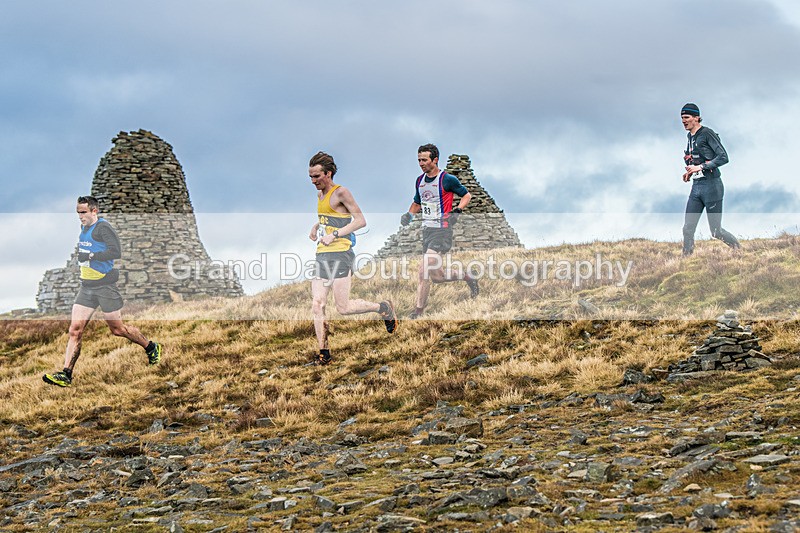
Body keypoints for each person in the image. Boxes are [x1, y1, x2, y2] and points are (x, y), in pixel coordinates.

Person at [43, 196, 162, 387]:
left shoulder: (103, 228)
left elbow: (116, 252)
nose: (80, 216)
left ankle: (151, 347)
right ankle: (66, 374)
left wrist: (90, 255)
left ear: (94, 211)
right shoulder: (85, 228)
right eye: (78, 213)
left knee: (118, 329)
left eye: (83, 212)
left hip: (105, 286)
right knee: (75, 331)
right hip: (87, 287)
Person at [308, 151, 397, 366]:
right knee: (317, 304)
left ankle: (382, 308)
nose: (313, 181)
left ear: (328, 174)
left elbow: (360, 220)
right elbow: (330, 217)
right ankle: (324, 353)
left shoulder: (342, 193)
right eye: (310, 177)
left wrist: (335, 235)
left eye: (317, 176)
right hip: (322, 255)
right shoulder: (320, 195)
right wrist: (317, 226)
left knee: (343, 308)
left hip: (341, 254)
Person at [400, 144, 479, 319]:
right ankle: (468, 277)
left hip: (442, 231)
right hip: (427, 231)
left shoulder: (447, 179)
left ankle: (418, 311)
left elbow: (466, 195)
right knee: (438, 276)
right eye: (419, 160)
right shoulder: (419, 181)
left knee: (423, 270)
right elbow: (417, 203)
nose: (421, 163)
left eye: (424, 160)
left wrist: (457, 211)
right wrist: (409, 216)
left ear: (435, 160)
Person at [680, 103, 741, 256]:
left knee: (715, 231)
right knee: (688, 228)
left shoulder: (707, 133)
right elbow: (695, 159)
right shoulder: (690, 137)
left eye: (686, 117)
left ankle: (738, 251)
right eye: (682, 118)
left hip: (712, 186)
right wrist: (690, 170)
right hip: (697, 186)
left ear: (696, 118)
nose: (683, 121)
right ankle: (685, 260)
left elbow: (723, 157)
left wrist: (700, 167)